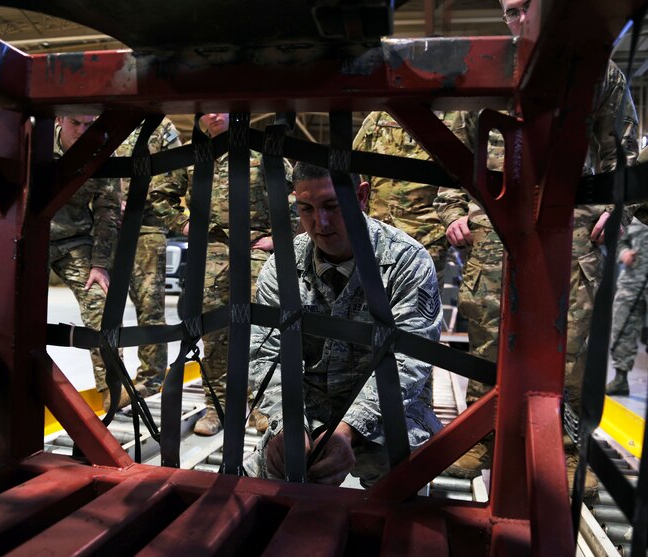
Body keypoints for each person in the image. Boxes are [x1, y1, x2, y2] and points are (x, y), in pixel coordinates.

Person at [435, 0, 639, 496]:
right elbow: (453, 159)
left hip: (571, 230)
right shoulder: (483, 72)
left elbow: (624, 154)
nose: (520, 20)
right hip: (496, 227)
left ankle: (566, 452)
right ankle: (483, 436)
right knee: (486, 335)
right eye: (510, 11)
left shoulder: (597, 73)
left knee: (566, 346)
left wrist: (618, 212)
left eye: (529, 7)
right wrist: (453, 213)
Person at [245, 163, 442, 487]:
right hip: (308, 407)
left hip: (388, 407)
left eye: (331, 206)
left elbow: (410, 359)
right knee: (267, 478)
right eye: (306, 208)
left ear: (362, 196)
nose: (319, 223)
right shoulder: (283, 265)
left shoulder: (406, 260)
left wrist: (350, 427)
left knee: (401, 489)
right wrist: (289, 424)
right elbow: (264, 354)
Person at [151, 113, 295, 436]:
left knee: (263, 330)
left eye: (222, 108)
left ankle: (261, 407)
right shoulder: (194, 153)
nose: (215, 114)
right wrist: (186, 225)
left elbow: (295, 193)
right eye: (208, 108)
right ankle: (217, 408)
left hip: (256, 246)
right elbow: (160, 194)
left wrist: (279, 235)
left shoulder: (258, 149)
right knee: (214, 332)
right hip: (213, 248)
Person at [51, 115, 126, 412]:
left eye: (89, 125)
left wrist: (99, 264)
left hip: (75, 240)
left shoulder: (104, 151)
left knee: (101, 304)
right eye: (76, 123)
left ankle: (112, 386)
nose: (83, 132)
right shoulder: (35, 143)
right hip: (31, 235)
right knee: (8, 310)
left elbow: (108, 211)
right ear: (59, 119)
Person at [114, 117, 184, 397]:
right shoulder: (105, 120)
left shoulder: (161, 126)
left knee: (149, 306)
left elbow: (175, 173)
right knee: (104, 309)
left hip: (147, 226)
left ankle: (152, 378)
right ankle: (113, 380)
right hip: (106, 224)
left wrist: (136, 197)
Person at [352, 111, 452, 284]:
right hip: (376, 240)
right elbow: (354, 172)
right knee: (368, 305)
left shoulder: (455, 118)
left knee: (418, 306)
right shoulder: (379, 117)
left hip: (427, 242)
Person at [606, 218, 648, 396]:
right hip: (631, 282)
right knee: (622, 328)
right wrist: (623, 253)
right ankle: (620, 379)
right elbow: (618, 238)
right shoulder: (634, 211)